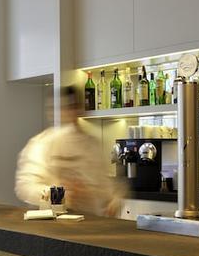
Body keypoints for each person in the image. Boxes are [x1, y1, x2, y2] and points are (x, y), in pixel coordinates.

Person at [15, 86, 124, 216]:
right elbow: (25, 187)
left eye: (73, 107)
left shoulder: (92, 145)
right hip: (52, 222)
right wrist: (60, 193)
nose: (69, 113)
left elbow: (106, 188)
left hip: (90, 221)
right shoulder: (41, 144)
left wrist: (114, 201)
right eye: (64, 108)